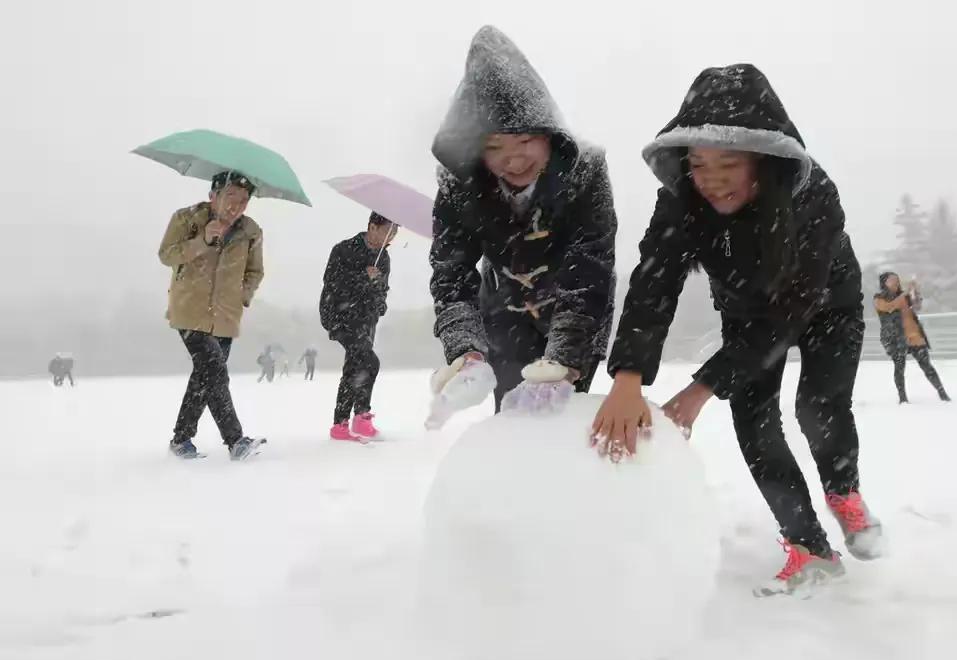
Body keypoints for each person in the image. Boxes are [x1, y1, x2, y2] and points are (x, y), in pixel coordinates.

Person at [592, 64, 883, 596]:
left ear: (765, 161)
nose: (712, 178)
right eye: (698, 163)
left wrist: (700, 389)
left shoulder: (814, 196)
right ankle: (810, 548)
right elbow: (652, 284)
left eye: (730, 161)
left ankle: (844, 492)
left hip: (824, 307)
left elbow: (790, 311)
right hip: (746, 313)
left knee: (817, 407)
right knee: (754, 424)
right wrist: (628, 375)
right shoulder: (682, 202)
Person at [425, 25, 617, 428]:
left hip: (575, 308)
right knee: (511, 414)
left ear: (550, 135)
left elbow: (589, 268)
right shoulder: (459, 186)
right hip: (505, 309)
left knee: (558, 412)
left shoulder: (586, 171)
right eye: (493, 147)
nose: (513, 160)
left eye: (525, 141)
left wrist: (564, 358)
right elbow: (450, 273)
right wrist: (465, 350)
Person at [158, 170, 265, 460]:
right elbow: (167, 255)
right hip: (190, 311)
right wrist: (202, 240)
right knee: (215, 372)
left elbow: (255, 271)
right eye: (230, 197)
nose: (237, 205)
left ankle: (181, 440)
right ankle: (236, 441)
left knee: (204, 379)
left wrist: (242, 296)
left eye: (244, 200)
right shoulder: (186, 219)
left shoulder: (250, 231)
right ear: (213, 196)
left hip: (226, 317)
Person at [320, 212, 397, 441]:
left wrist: (380, 301)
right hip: (340, 315)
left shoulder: (384, 258)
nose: (391, 236)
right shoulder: (343, 249)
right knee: (369, 361)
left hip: (366, 317)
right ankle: (360, 415)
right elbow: (332, 281)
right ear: (373, 227)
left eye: (394, 233)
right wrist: (363, 276)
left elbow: (382, 288)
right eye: (388, 231)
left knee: (355, 364)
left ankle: (342, 424)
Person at [874, 272, 950, 403]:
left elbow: (916, 306)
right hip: (895, 338)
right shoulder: (879, 298)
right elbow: (889, 307)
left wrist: (915, 293)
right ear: (884, 283)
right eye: (892, 280)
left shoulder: (904, 295)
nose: (896, 282)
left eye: (897, 280)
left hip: (914, 335)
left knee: (927, 366)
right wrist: (905, 294)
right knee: (899, 368)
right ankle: (903, 398)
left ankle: (942, 393)